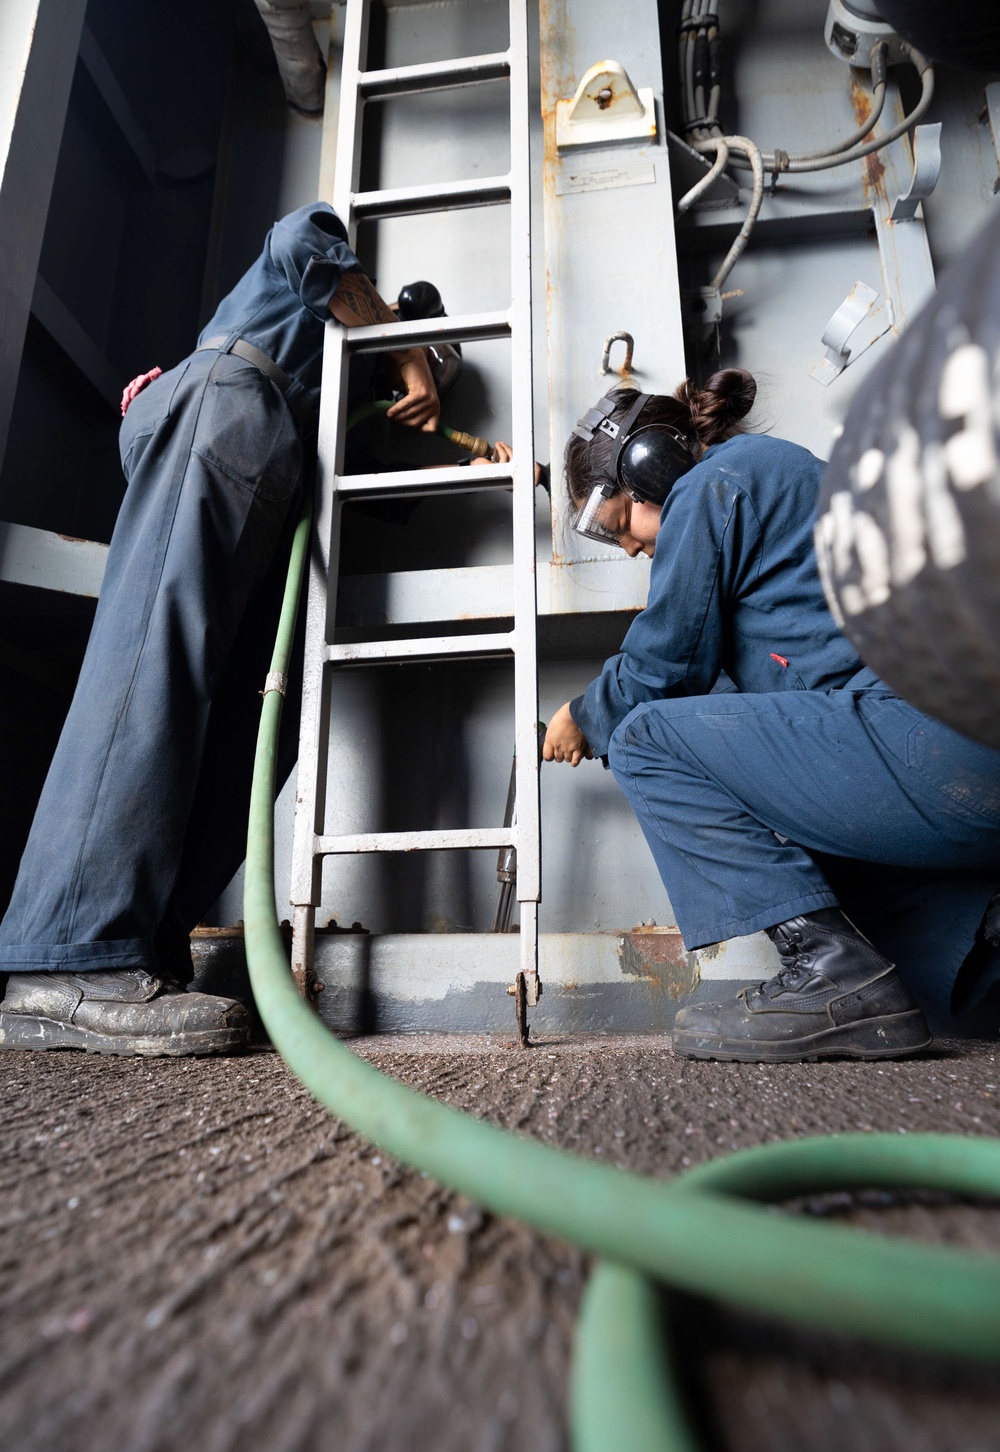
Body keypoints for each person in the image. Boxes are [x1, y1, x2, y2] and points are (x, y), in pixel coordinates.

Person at [0, 203, 441, 1058]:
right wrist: (408, 348)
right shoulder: (335, 283)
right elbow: (297, 239)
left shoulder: (348, 382)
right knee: (151, 672)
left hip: (266, 473)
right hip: (230, 418)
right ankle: (72, 954)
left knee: (251, 729)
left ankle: (142, 945)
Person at [543, 370, 1000, 1062]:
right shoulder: (777, 488)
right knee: (781, 818)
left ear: (652, 467)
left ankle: (834, 976)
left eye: (620, 528)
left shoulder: (711, 485)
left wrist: (583, 715)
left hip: (942, 741)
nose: (631, 550)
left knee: (644, 740)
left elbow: (662, 668)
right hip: (959, 747)